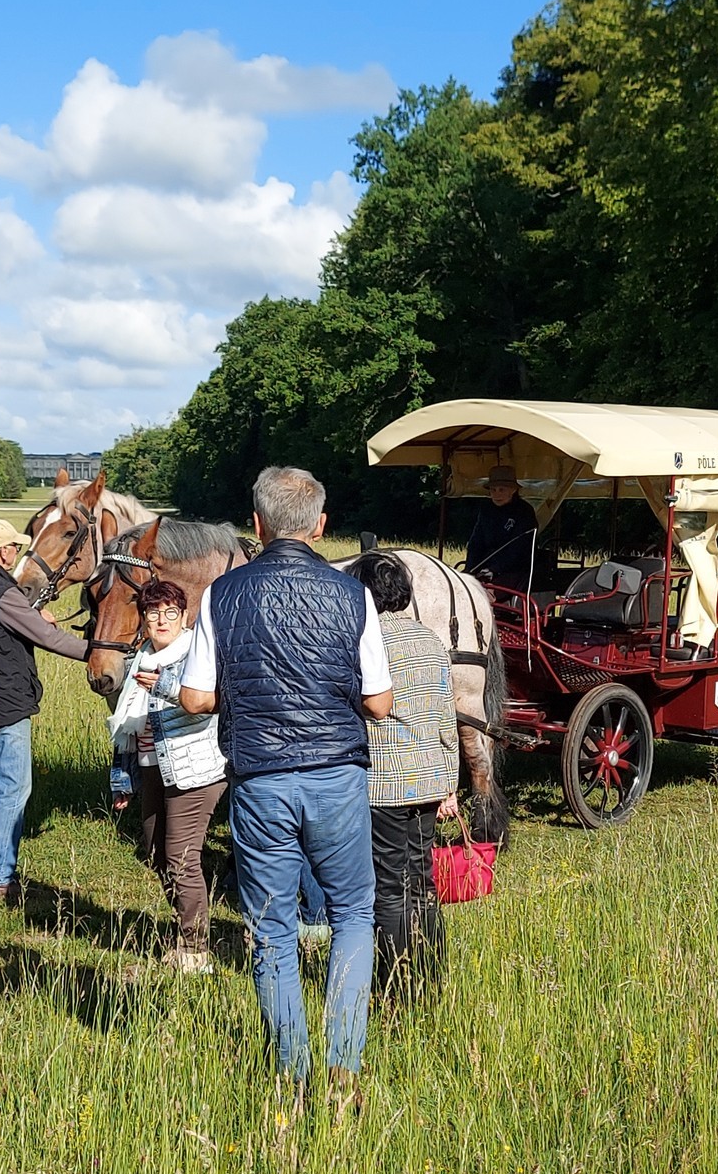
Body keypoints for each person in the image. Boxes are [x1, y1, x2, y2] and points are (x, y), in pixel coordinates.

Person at [177, 467, 393, 1105]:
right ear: (322, 525)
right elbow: (379, 703)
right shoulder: (353, 596)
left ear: (258, 525)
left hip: (260, 780)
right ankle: (343, 1067)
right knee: (354, 914)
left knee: (271, 928)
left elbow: (193, 697)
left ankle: (292, 1074)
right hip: (337, 776)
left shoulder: (222, 595)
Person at [0, 517, 90, 904]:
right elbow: (46, 636)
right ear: (3, 552)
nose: (17, 553)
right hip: (8, 701)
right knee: (13, 787)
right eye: (14, 547)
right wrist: (96, 652)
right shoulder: (3, 590)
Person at [354, 553, 460, 992]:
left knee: (388, 886)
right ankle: (431, 975)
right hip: (431, 778)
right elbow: (446, 717)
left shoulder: (364, 643)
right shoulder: (431, 641)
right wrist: (450, 783)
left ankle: (394, 984)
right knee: (422, 880)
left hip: (384, 782)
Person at [108, 579, 223, 974]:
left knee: (181, 858)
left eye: (170, 612)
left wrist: (168, 686)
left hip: (196, 768)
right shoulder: (141, 655)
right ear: (142, 618)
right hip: (153, 767)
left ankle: (194, 948)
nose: (161, 620)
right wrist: (123, 778)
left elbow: (213, 704)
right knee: (157, 853)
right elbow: (128, 724)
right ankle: (185, 930)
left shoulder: (198, 651)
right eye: (153, 612)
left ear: (184, 616)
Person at [462, 466, 542, 593]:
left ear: (513, 490)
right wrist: (469, 569)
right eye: (493, 490)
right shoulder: (486, 509)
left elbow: (519, 548)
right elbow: (476, 542)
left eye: (501, 490)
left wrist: (496, 569)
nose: (496, 494)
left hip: (515, 570)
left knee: (486, 592)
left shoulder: (524, 511)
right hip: (485, 566)